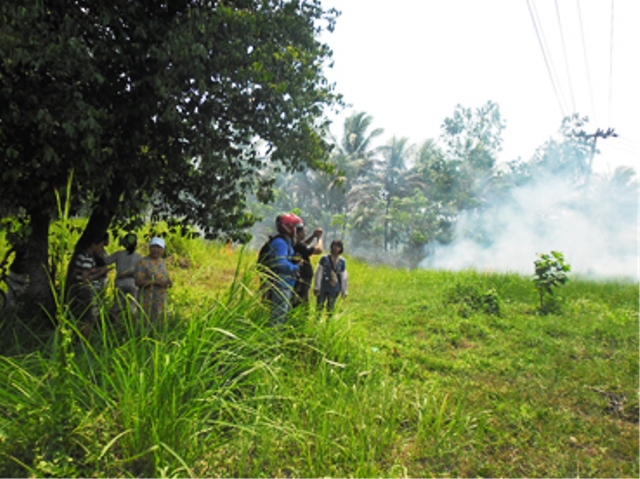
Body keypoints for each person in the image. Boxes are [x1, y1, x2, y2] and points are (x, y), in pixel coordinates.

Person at [68, 236, 110, 337]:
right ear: (93, 245)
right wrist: (101, 273)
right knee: (89, 318)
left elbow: (79, 271)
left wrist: (94, 271)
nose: (101, 249)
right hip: (87, 290)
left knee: (81, 315)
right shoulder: (88, 258)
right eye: (100, 246)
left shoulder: (81, 256)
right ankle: (85, 340)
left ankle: (76, 338)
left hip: (79, 289)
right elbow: (85, 279)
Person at [267, 213, 302, 325]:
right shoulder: (281, 243)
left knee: (282, 316)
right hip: (281, 284)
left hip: (286, 284)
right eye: (296, 228)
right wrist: (296, 267)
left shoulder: (287, 242)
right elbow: (281, 263)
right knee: (278, 317)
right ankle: (272, 340)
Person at [134, 237, 172, 323]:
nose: (156, 250)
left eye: (159, 248)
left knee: (160, 321)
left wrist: (169, 282)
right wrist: (156, 282)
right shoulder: (143, 262)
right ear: (149, 248)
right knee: (146, 321)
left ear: (163, 250)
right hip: (147, 299)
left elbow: (164, 276)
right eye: (153, 247)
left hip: (161, 299)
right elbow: (137, 282)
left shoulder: (163, 262)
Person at [106, 232, 143, 319]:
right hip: (133, 284)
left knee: (117, 305)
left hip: (120, 283)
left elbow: (107, 261)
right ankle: (131, 327)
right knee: (132, 306)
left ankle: (113, 325)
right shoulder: (139, 257)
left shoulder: (119, 254)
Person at [292, 224, 323, 308]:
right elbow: (319, 250)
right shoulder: (298, 244)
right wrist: (319, 238)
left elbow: (304, 246)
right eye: (304, 231)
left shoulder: (295, 244)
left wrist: (313, 236)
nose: (306, 233)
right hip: (302, 278)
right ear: (299, 233)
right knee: (302, 300)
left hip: (300, 277)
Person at [314, 239, 348, 315]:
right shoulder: (324, 258)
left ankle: (329, 324)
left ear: (341, 248)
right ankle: (316, 322)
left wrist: (344, 290)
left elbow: (343, 276)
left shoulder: (342, 261)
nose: (336, 248)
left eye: (338, 246)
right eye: (335, 245)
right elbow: (319, 272)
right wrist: (317, 286)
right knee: (319, 306)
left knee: (331, 308)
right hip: (323, 286)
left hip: (335, 288)